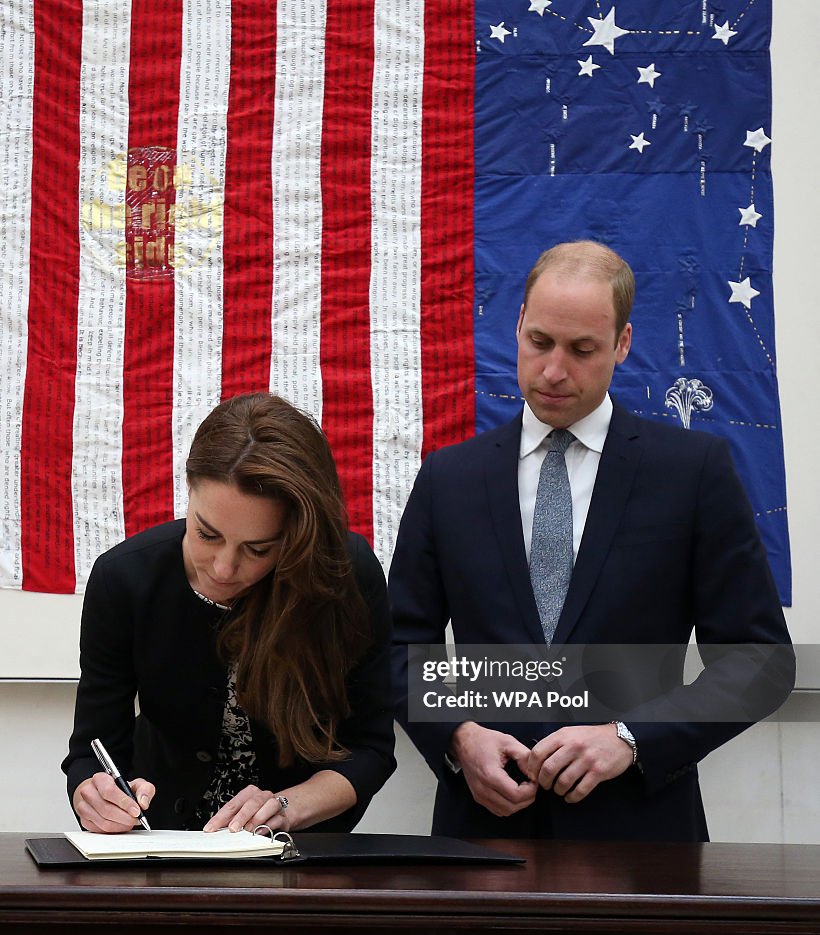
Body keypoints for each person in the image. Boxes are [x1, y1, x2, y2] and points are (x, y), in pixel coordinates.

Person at [390, 240, 794, 841]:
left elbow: (759, 662)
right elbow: (394, 645)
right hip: (483, 839)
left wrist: (631, 740)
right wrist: (458, 735)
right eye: (540, 342)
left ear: (623, 344)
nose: (554, 371)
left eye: (582, 350)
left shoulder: (692, 472)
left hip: (643, 839)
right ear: (519, 324)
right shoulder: (450, 478)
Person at [64, 392, 396, 834]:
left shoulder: (345, 574)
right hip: (162, 842)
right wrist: (93, 793)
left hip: (301, 851)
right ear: (188, 491)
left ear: (297, 536)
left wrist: (287, 807)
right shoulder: (122, 579)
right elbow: (93, 749)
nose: (223, 568)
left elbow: (371, 748)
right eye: (206, 533)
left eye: (258, 549)